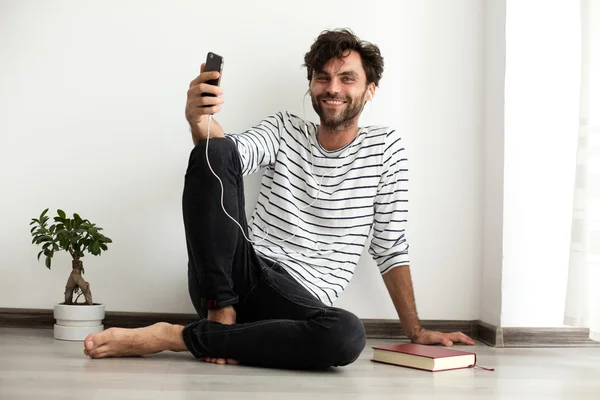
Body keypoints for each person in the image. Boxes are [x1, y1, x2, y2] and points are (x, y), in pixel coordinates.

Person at [83, 28, 475, 368]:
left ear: (370, 89)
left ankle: (177, 337)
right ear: (311, 85)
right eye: (322, 78)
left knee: (347, 335)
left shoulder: (385, 150)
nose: (333, 88)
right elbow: (222, 158)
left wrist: (416, 330)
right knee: (213, 151)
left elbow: (390, 248)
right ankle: (220, 317)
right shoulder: (285, 129)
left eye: (346, 78)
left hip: (298, 304)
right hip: (237, 274)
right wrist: (197, 119)